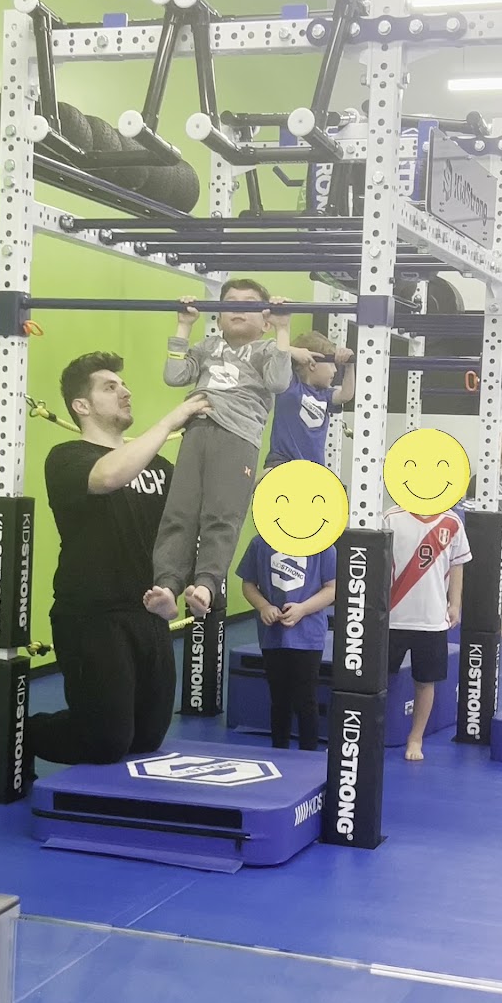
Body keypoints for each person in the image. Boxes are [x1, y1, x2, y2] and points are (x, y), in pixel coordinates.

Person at [26, 351, 209, 768]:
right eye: (110, 387)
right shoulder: (67, 457)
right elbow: (108, 476)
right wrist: (169, 422)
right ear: (82, 405)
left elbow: (179, 538)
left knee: (146, 738)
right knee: (107, 742)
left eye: (123, 385)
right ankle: (18, 733)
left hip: (149, 612)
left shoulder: (160, 468)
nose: (125, 392)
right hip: (93, 615)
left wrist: (194, 585)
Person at [144, 279, 318, 622]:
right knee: (179, 512)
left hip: (237, 437)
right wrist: (184, 325)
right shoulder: (207, 347)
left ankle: (206, 586)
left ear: (264, 320)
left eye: (249, 304)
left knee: (221, 516)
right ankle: (167, 585)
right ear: (219, 316)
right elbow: (174, 375)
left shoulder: (266, 349)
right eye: (231, 303)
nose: (238, 308)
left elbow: (278, 382)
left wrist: (283, 330)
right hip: (197, 430)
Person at [383, 503, 472, 761]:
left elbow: (457, 565)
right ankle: (371, 733)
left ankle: (416, 737)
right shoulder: (391, 517)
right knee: (378, 679)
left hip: (432, 618)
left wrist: (455, 603)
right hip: (393, 617)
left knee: (425, 681)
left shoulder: (452, 521)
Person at [236, 534, 336, 750]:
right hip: (273, 635)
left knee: (306, 699)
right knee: (279, 699)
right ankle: (279, 752)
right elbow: (248, 584)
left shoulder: (322, 543)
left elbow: (332, 588)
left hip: (308, 636)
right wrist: (263, 606)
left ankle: (307, 754)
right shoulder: (260, 542)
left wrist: (303, 609)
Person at [264, 330, 355, 470]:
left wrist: (349, 365)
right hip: (283, 462)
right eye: (331, 364)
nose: (335, 370)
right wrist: (295, 351)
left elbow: (346, 395)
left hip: (313, 468)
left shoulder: (325, 395)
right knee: (270, 474)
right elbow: (275, 349)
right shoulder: (289, 385)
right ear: (312, 364)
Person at [467, 429, 502, 636]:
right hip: (479, 534)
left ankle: (499, 620)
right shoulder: (479, 477)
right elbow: (468, 504)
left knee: (500, 579)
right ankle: (472, 617)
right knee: (475, 575)